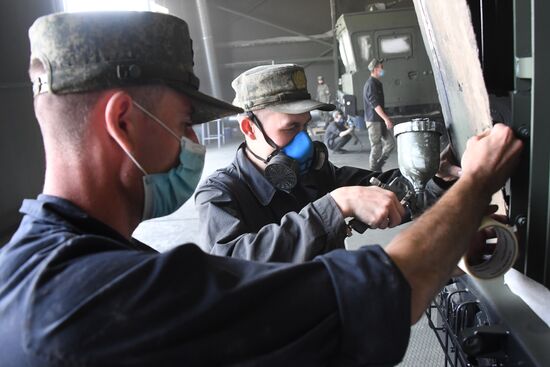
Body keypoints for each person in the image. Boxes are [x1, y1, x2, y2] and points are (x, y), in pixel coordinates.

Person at [0, 11, 523, 367]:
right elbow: (382, 289)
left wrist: (435, 182)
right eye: (184, 124)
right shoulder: (96, 299)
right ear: (123, 122)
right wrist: (477, 184)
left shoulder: (48, 266)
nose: (190, 144)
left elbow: (388, 196)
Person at [195, 63, 458, 263]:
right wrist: (333, 207)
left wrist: (432, 178)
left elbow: (387, 193)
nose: (304, 141)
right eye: (290, 128)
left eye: (305, 126)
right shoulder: (219, 193)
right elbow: (231, 260)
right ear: (249, 129)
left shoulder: (317, 174)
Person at [363, 58, 395, 171]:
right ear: (375, 69)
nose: (383, 70)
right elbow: (375, 105)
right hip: (373, 121)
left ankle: (378, 166)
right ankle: (372, 172)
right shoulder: (370, 84)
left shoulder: (377, 83)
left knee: (390, 144)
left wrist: (385, 118)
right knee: (376, 147)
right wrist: (386, 119)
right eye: (381, 68)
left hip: (379, 120)